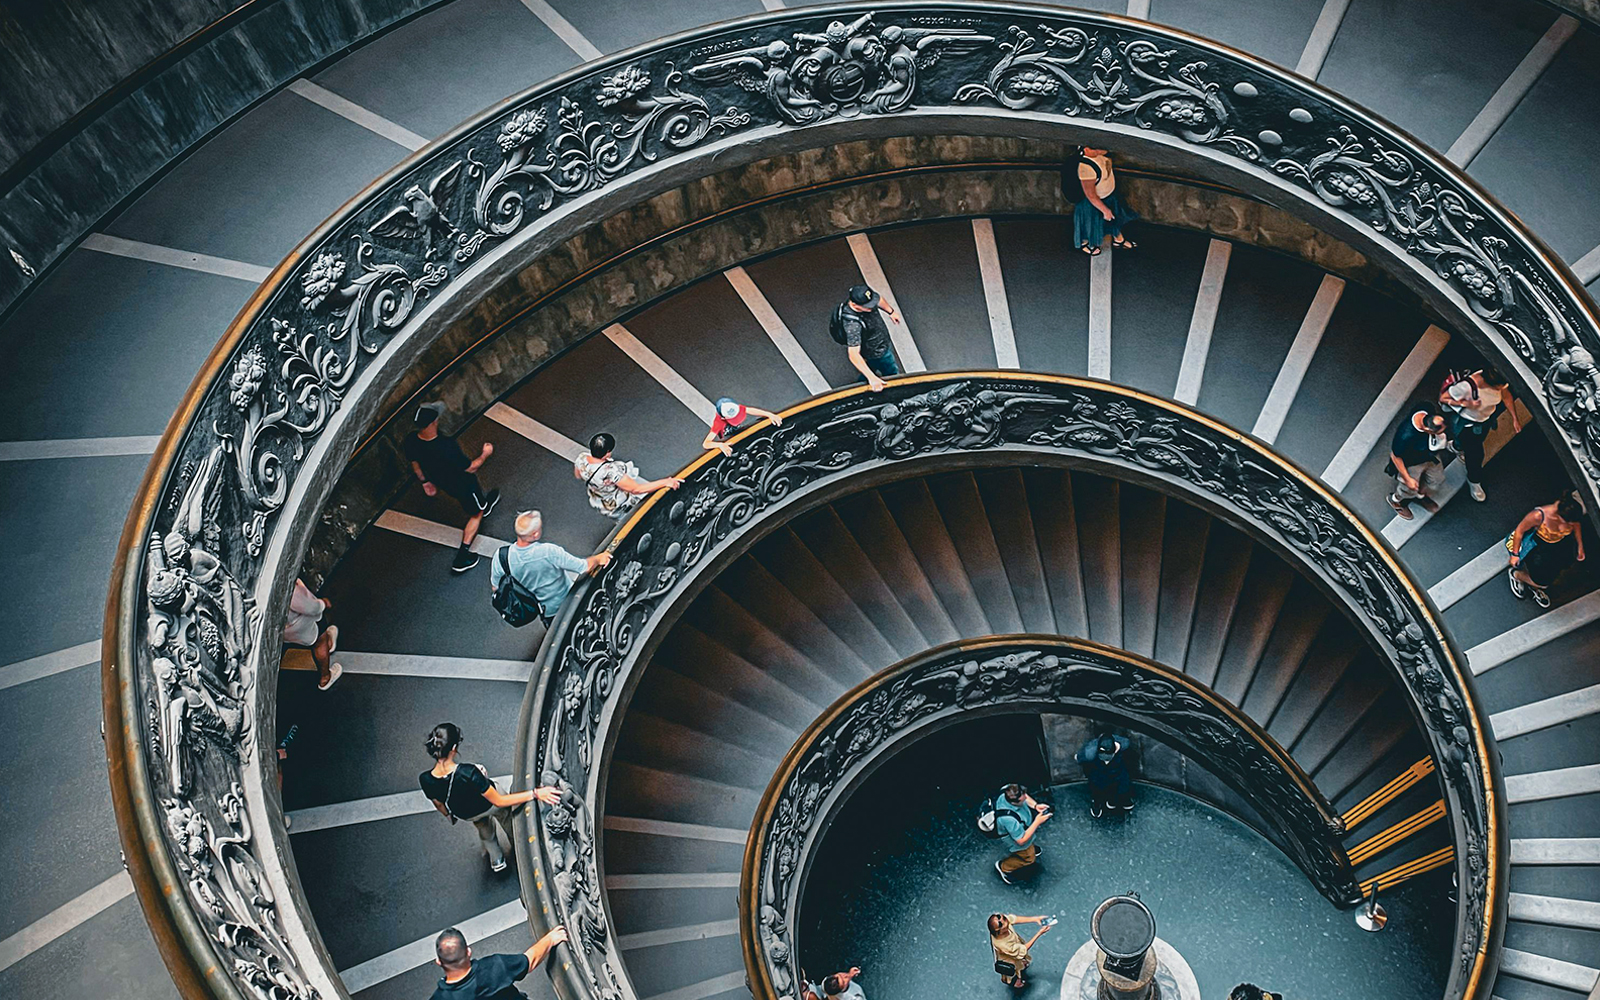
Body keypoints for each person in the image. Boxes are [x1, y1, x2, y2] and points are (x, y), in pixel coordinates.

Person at [419, 723, 562, 873]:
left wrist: (449, 816)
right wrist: (535, 793)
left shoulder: (425, 779)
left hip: (466, 813)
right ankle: (520, 850)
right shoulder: (469, 772)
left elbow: (438, 804)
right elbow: (499, 800)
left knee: (483, 828)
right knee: (508, 819)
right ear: (454, 748)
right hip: (489, 805)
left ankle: (497, 859)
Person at [405, 402, 501, 573]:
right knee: (476, 513)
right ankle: (462, 556)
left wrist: (425, 482)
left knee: (475, 503)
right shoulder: (446, 445)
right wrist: (485, 453)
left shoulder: (412, 440)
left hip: (443, 482)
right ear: (433, 422)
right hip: (464, 485)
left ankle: (483, 504)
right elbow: (470, 467)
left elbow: (415, 463)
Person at [489, 511, 612, 624]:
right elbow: (583, 566)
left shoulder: (501, 557)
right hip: (568, 600)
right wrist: (599, 558)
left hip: (547, 611)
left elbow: (496, 587)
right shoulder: (549, 552)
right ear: (535, 534)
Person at [1439, 367, 1521, 502]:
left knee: (1478, 437)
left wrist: (1514, 418)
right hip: (1468, 424)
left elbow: (1506, 395)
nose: (1502, 389)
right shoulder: (1466, 387)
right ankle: (1474, 480)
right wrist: (1465, 403)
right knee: (1476, 455)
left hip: (1484, 420)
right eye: (1500, 387)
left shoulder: (1498, 380)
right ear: (1492, 383)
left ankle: (1456, 446)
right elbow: (1444, 398)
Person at [430, 924, 568, 1000]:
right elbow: (529, 961)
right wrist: (550, 939)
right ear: (468, 952)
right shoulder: (493, 968)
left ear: (438, 962)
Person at [574, 432, 682, 520]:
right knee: (643, 515)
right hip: (621, 503)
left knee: (624, 520)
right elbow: (636, 489)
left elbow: (578, 475)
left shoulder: (582, 458)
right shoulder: (611, 471)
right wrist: (666, 482)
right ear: (607, 452)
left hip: (604, 503)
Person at [1507, 495, 1586, 609]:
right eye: (1568, 522)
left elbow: (1576, 524)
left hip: (1560, 545)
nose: (1570, 524)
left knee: (1558, 567)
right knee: (1543, 581)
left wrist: (1580, 545)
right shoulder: (1538, 516)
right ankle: (1517, 575)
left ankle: (1532, 582)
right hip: (1540, 546)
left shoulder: (1569, 514)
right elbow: (1519, 531)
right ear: (1559, 516)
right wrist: (1515, 554)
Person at [1069, 145, 1139, 256]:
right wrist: (1105, 210)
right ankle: (1085, 243)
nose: (1101, 150)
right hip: (1093, 202)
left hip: (1107, 196)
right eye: (1096, 148)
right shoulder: (1085, 168)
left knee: (1112, 220)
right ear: (1087, 149)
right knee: (1089, 225)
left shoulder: (1100, 156)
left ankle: (1118, 238)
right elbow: (1091, 195)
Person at [1386, 402, 1451, 520]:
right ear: (1427, 429)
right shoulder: (1405, 435)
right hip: (1412, 463)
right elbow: (1395, 456)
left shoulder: (1426, 408)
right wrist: (1407, 478)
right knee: (1408, 488)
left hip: (1429, 456)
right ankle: (1396, 501)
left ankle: (1420, 496)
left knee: (1436, 480)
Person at [834, 284, 902, 392]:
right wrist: (872, 378)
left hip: (877, 346)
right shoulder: (852, 325)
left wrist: (891, 312)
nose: (872, 307)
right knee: (891, 371)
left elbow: (878, 299)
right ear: (855, 305)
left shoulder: (866, 301)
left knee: (870, 368)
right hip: (877, 352)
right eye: (868, 306)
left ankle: (864, 378)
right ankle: (895, 388)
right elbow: (853, 354)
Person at [282, 578, 341, 690]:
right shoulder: (284, 587)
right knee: (320, 642)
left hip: (287, 631)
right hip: (304, 624)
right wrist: (323, 604)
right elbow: (310, 607)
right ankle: (325, 677)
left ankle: (329, 642)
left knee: (319, 638)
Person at [993, 783, 1051, 884]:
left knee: (1030, 846)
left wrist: (1035, 806)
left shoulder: (1006, 795)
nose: (1026, 797)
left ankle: (1031, 849)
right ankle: (1004, 867)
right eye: (1023, 797)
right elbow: (1021, 840)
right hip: (1019, 840)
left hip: (1023, 829)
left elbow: (1026, 797)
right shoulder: (1009, 819)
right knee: (1029, 858)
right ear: (1015, 802)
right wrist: (1037, 822)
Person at [988, 912, 1054, 989]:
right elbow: (1023, 949)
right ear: (999, 931)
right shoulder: (1004, 945)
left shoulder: (1004, 923)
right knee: (1013, 973)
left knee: (1020, 962)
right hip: (1009, 959)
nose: (1002, 918)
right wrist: (1039, 933)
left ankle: (1021, 964)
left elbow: (1014, 919)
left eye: (1000, 917)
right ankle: (1016, 982)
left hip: (1015, 950)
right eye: (1000, 923)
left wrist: (1035, 919)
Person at [703, 396, 784, 456]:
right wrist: (720, 445)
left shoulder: (736, 407)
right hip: (729, 437)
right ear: (723, 418)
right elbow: (706, 443)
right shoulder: (719, 424)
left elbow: (750, 410)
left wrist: (769, 415)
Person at [1077, 732, 1133, 818]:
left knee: (1123, 783)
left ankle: (1116, 799)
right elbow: (1079, 757)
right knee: (1096, 786)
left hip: (1116, 770)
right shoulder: (1090, 753)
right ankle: (1097, 803)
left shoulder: (1124, 744)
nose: (1106, 761)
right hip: (1098, 772)